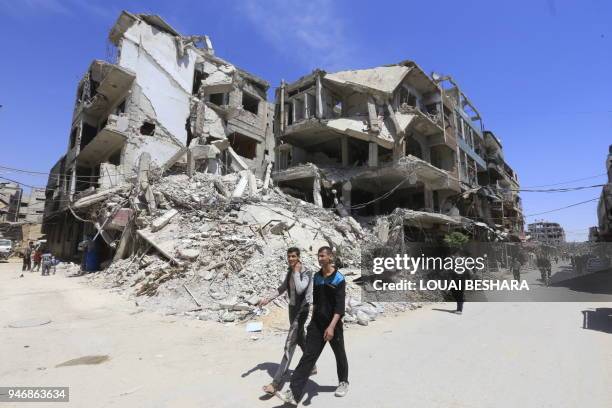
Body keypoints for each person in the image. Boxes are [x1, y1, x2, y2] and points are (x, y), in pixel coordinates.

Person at [276, 246, 349, 406]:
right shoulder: (317, 277)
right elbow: (315, 301)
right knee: (308, 356)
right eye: (318, 256)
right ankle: (294, 394)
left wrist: (331, 327)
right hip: (317, 324)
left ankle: (343, 381)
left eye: (323, 256)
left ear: (330, 257)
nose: (320, 258)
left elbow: (339, 307)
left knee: (339, 353)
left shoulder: (339, 279)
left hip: (333, 325)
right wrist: (312, 322)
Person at [259, 247, 313, 395]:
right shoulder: (290, 271)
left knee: (289, 344)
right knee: (300, 337)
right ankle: (311, 365)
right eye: (289, 256)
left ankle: (276, 383)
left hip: (301, 311)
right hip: (292, 310)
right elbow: (283, 288)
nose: (290, 259)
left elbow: (301, 289)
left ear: (299, 257)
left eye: (293, 256)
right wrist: (267, 299)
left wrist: (296, 271)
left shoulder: (306, 271)